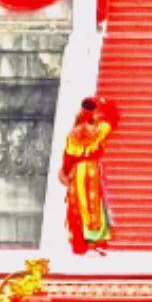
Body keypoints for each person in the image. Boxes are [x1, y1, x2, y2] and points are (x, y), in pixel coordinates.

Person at [60, 93, 116, 253]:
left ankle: (81, 238)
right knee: (95, 201)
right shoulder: (99, 129)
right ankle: (97, 237)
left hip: (78, 169)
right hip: (93, 168)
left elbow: (68, 156)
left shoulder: (73, 134)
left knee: (79, 202)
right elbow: (112, 119)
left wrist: (65, 172)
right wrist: (104, 103)